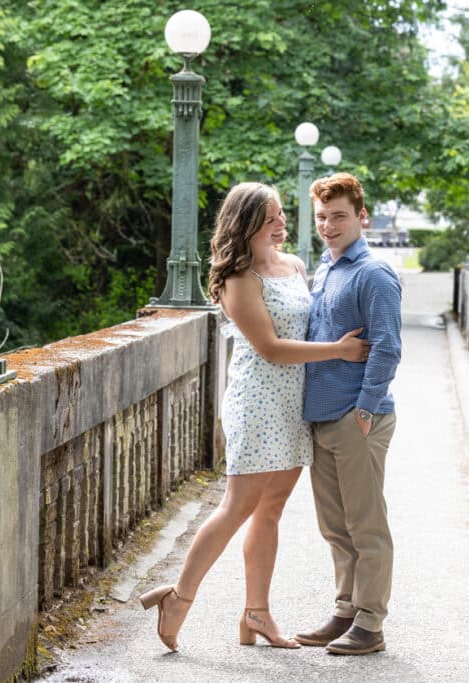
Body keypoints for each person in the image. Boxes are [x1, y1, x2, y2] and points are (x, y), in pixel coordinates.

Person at [139, 182, 370, 652]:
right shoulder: (238, 277)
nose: (282, 224)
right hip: (257, 403)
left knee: (271, 511)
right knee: (236, 507)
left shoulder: (295, 266)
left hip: (293, 405)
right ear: (246, 223)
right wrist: (341, 351)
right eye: (271, 218)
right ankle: (178, 598)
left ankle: (257, 614)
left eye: (282, 214)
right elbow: (270, 347)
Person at [294, 173, 402, 656]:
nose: (328, 225)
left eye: (338, 216)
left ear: (362, 217)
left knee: (366, 525)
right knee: (335, 528)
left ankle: (371, 623)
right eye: (321, 217)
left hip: (357, 419)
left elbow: (387, 347)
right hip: (323, 419)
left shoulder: (373, 274)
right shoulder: (324, 269)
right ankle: (346, 609)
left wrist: (365, 409)